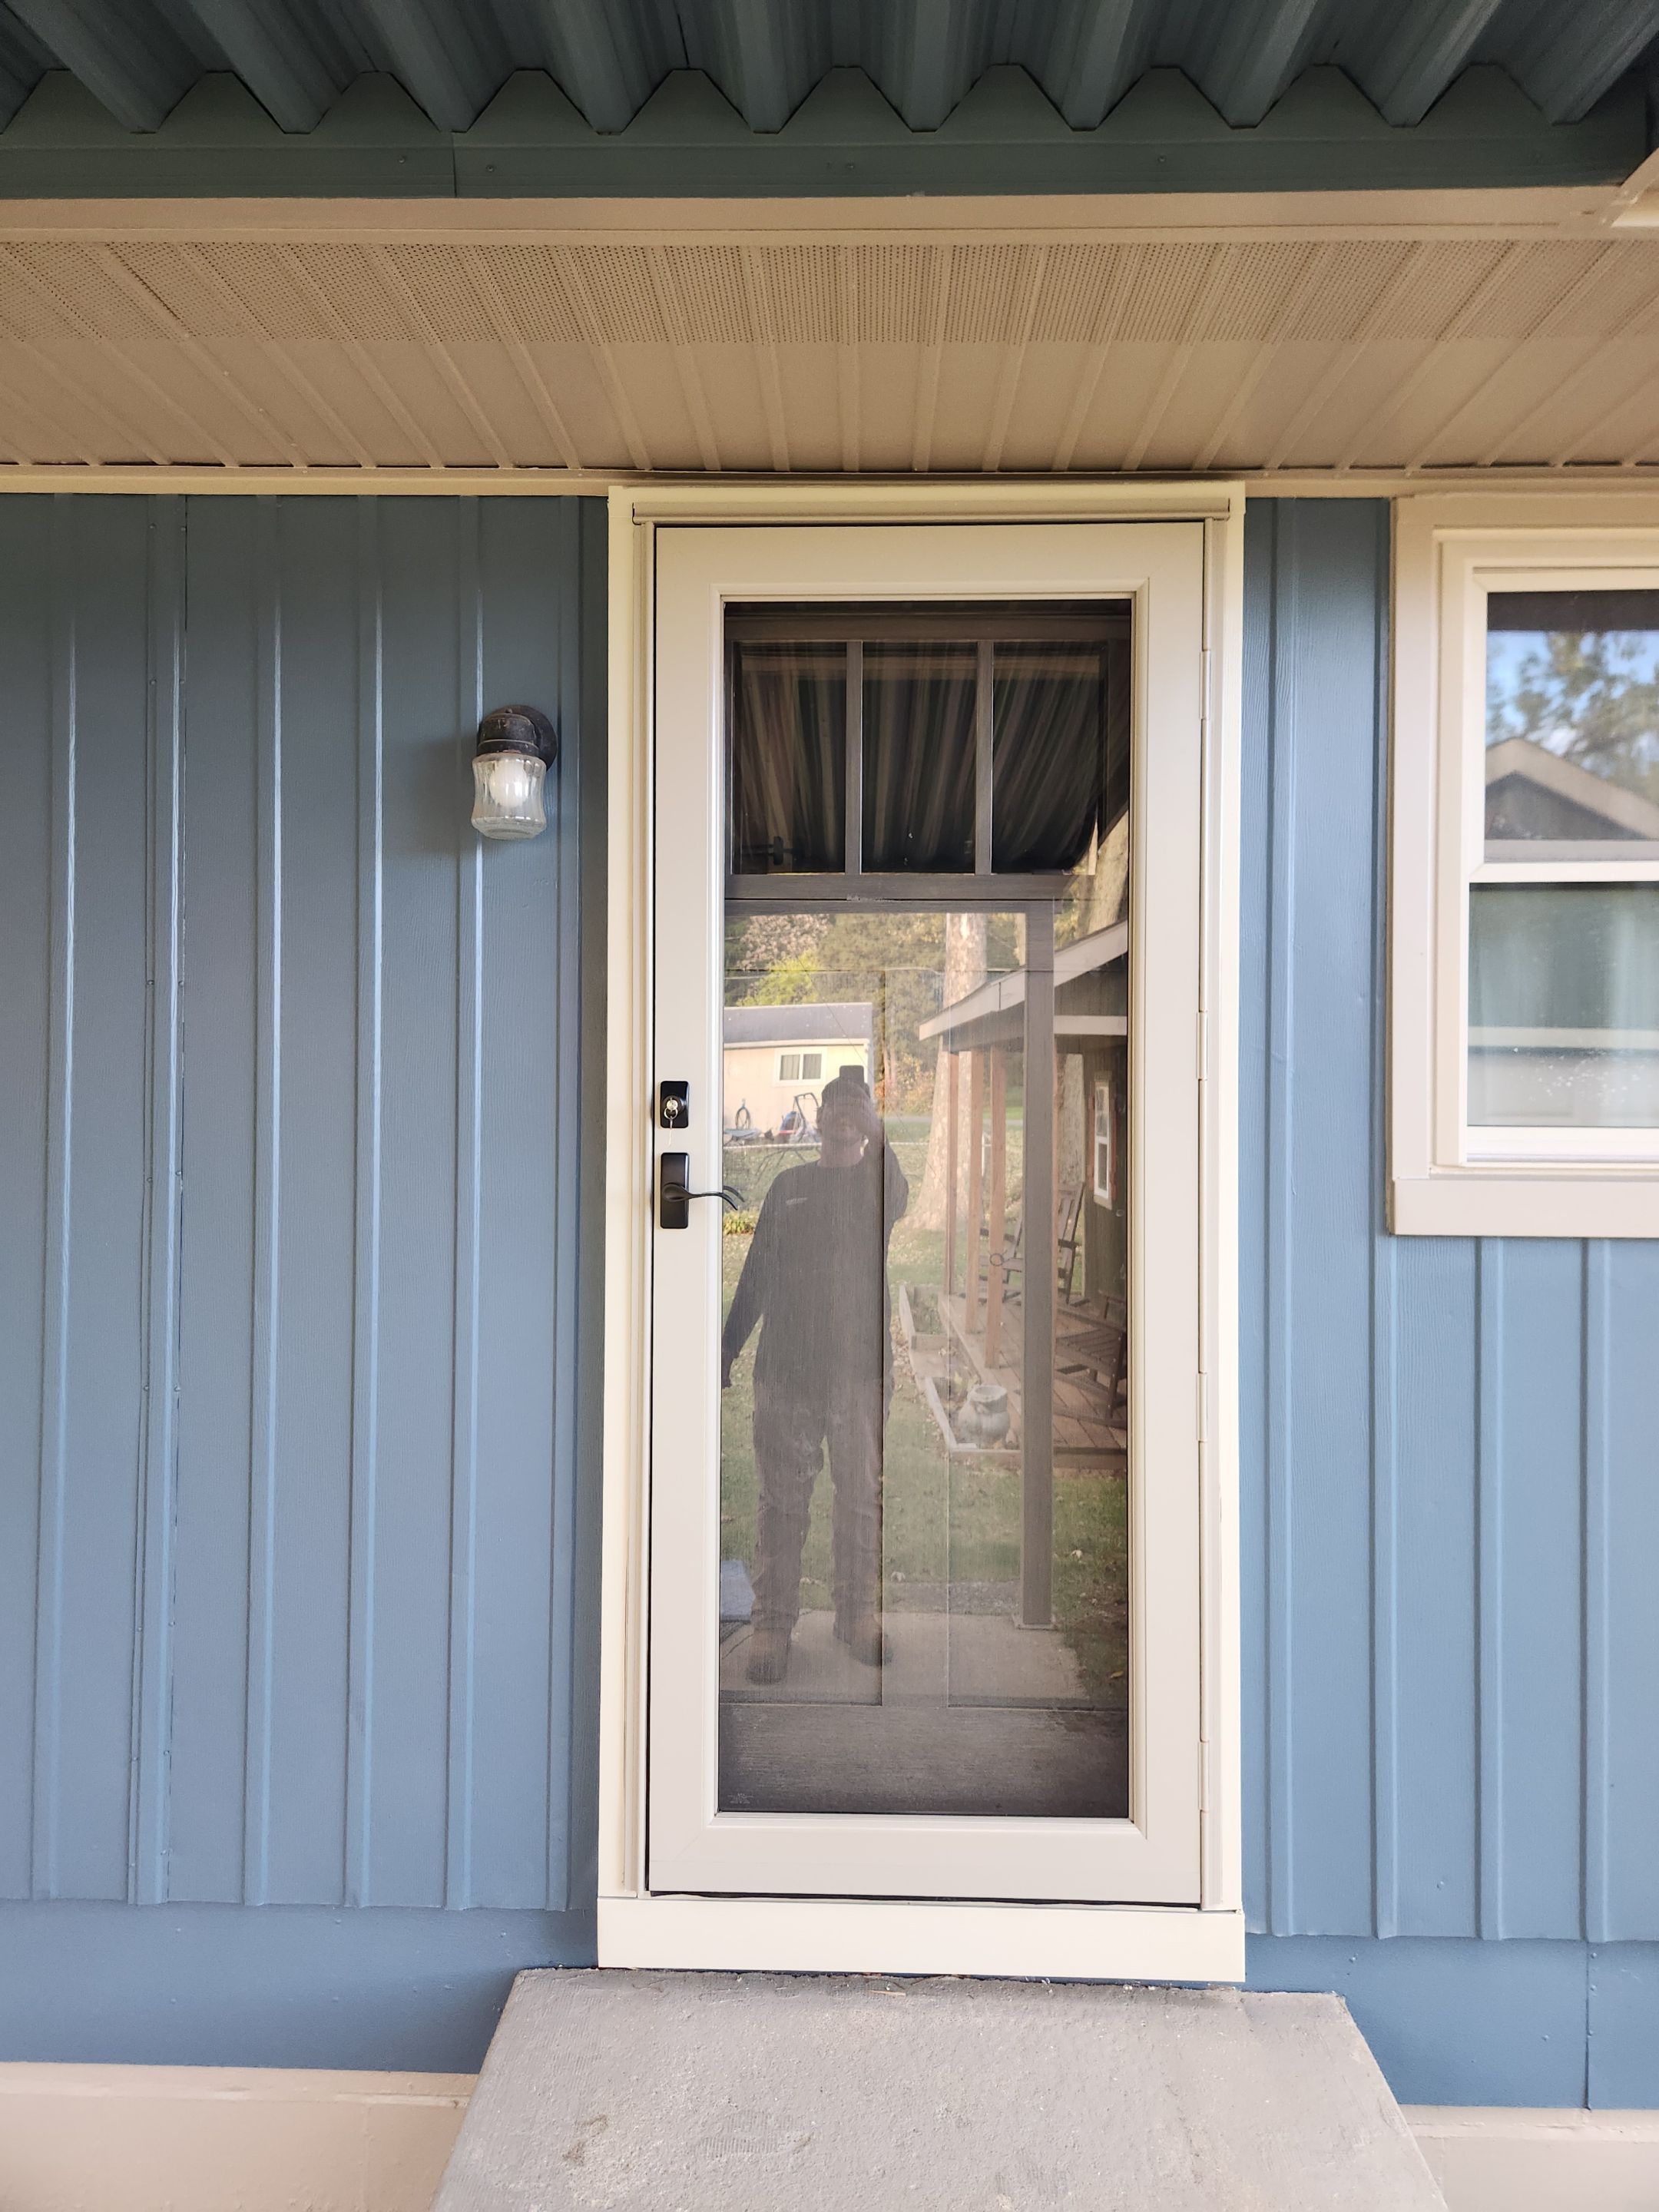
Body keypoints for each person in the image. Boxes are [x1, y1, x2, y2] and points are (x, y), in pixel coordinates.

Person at [721, 1066, 908, 1685]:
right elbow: (755, 1275)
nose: (844, 1118)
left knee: (859, 1501)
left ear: (867, 1123)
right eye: (835, 1108)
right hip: (787, 1372)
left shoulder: (876, 1185)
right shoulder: (789, 1185)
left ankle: (856, 1617)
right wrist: (726, 1349)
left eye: (856, 1108)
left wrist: (879, 1132)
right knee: (781, 1505)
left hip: (858, 1374)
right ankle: (772, 1624)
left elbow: (901, 1194)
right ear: (818, 1120)